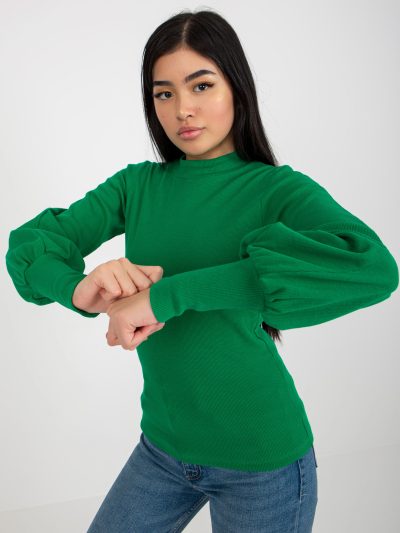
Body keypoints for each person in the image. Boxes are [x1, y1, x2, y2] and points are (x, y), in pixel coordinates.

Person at [5, 8, 399, 533]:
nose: (182, 109)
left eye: (202, 85)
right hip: (162, 450)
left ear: (237, 87)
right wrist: (78, 289)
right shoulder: (137, 186)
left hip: (261, 462)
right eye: (163, 93)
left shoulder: (276, 190)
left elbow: (373, 266)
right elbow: (31, 246)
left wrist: (166, 295)